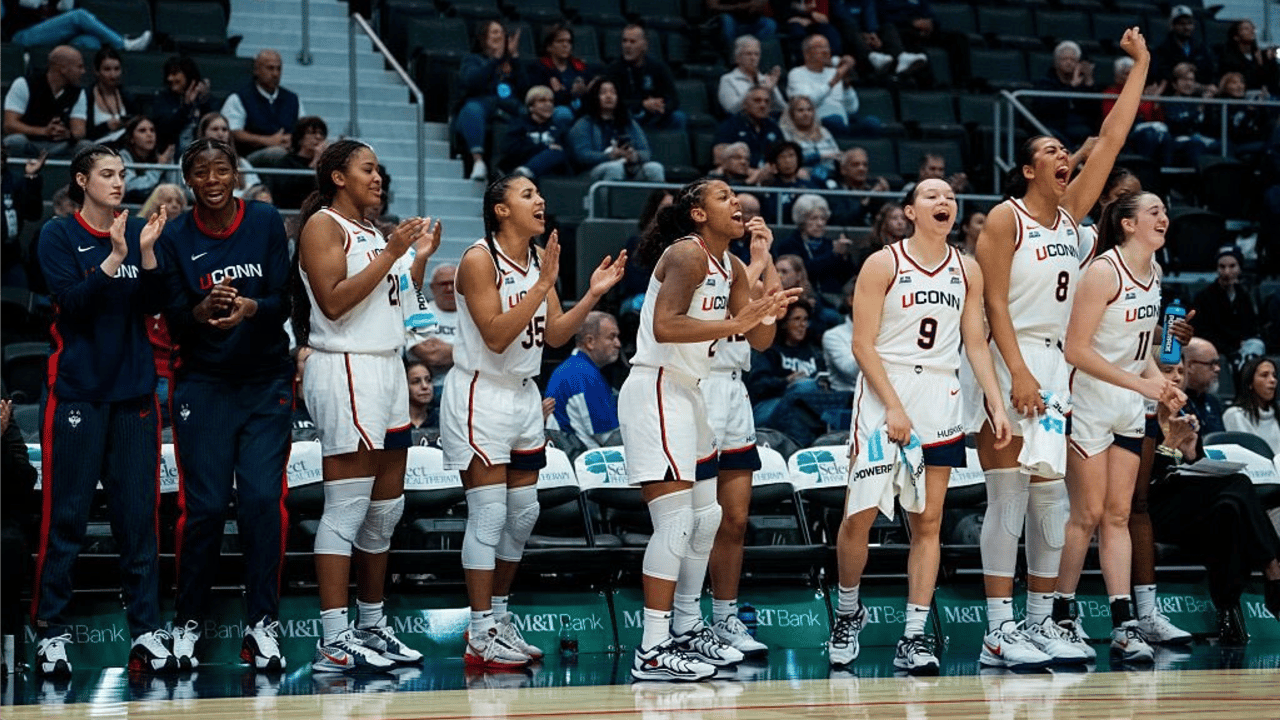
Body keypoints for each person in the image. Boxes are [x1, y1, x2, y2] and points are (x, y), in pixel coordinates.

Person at [972, 27, 1150, 670]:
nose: (1063, 155)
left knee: (1052, 499)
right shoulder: (1004, 217)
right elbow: (992, 305)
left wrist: (1141, 66)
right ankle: (998, 631)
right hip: (1009, 359)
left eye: (1063, 149)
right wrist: (1016, 373)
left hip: (1057, 366)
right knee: (1009, 496)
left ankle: (1042, 622)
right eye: (1049, 150)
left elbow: (1112, 139)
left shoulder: (1074, 216)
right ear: (1029, 170)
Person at [441, 175, 626, 668]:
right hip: (481, 392)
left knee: (521, 516)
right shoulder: (480, 259)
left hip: (523, 395)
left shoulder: (536, 260)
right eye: (527, 195)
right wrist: (543, 282)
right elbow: (498, 336)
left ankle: (499, 619)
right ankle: (478, 633)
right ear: (501, 210)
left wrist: (589, 296)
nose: (540, 200)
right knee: (488, 516)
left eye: (539, 194)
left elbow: (557, 336)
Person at [830, 178, 1012, 674]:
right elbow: (862, 344)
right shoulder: (883, 263)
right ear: (909, 211)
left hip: (941, 394)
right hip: (884, 390)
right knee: (860, 516)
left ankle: (913, 635)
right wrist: (891, 406)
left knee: (927, 521)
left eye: (951, 197)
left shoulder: (967, 269)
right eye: (932, 196)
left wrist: (995, 402)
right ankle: (847, 612)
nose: (945, 202)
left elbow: (976, 344)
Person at [619, 178, 796, 681]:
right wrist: (736, 322)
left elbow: (758, 338)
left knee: (708, 517)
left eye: (736, 196)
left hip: (689, 391)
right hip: (657, 385)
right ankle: (652, 647)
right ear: (697, 213)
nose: (736, 202)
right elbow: (665, 326)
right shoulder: (686, 255)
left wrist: (767, 300)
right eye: (723, 197)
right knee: (675, 523)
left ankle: (689, 626)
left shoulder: (733, 264)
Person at [147, 137, 292, 670]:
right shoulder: (176, 237)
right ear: (188, 179)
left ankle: (263, 625)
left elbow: (284, 302)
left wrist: (251, 306)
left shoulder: (265, 222)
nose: (212, 180)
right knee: (204, 509)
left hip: (263, 381)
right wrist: (202, 308)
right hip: (203, 384)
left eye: (221, 169)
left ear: (235, 173)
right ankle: (186, 622)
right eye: (201, 172)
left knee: (260, 503)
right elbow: (172, 316)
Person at [294, 139, 435, 672]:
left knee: (384, 512)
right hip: (347, 366)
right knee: (348, 508)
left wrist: (414, 262)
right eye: (367, 168)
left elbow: (401, 304)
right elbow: (333, 300)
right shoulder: (323, 226)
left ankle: (372, 626)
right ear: (337, 177)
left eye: (379, 168)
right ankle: (334, 638)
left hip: (387, 366)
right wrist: (396, 252)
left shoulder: (376, 233)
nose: (379, 177)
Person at [33, 144, 174, 676]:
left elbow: (157, 304)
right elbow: (72, 305)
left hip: (135, 393)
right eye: (108, 174)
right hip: (78, 392)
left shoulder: (137, 231)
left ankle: (145, 631)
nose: (119, 182)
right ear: (81, 181)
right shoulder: (58, 235)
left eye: (122, 174)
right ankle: (51, 629)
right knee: (65, 517)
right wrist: (115, 259)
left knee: (138, 522)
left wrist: (150, 255)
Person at [1057, 191, 1184, 665]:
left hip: (1128, 403)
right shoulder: (1104, 272)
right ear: (1128, 224)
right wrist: (1140, 383)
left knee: (1117, 514)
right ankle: (1062, 614)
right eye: (1154, 212)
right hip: (1088, 401)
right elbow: (1076, 350)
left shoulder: (1155, 273)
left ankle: (1122, 621)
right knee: (1085, 515)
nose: (1164, 218)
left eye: (1165, 212)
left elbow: (1140, 349)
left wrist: (1160, 383)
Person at [1147, 358, 1280, 643]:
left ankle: (1228, 611)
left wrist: (1193, 452)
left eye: (1181, 371)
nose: (1176, 377)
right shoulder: (1140, 415)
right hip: (1150, 513)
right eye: (1168, 371)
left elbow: (1194, 474)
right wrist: (1170, 448)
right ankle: (1273, 567)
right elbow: (1142, 487)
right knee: (1238, 486)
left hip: (1189, 510)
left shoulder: (1183, 411)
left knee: (1228, 510)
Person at [702, 212, 780, 658]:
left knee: (734, 520)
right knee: (697, 520)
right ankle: (684, 620)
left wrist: (765, 261)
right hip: (696, 386)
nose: (737, 212)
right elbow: (731, 303)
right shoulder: (694, 261)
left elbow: (764, 339)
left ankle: (725, 617)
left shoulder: (741, 265)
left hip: (733, 390)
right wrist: (755, 263)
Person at [456, 21, 530, 182]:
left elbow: (525, 90)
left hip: (509, 106)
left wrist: (515, 57)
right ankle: (478, 162)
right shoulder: (473, 59)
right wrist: (495, 60)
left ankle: (514, 168)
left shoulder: (511, 63)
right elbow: (472, 83)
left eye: (502, 33)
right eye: (495, 32)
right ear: (484, 38)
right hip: (482, 103)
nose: (500, 36)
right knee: (471, 110)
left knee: (529, 114)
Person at [747, 300, 826, 445]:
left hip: (809, 407)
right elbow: (757, 385)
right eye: (797, 319)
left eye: (805, 320)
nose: (802, 325)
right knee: (804, 386)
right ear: (784, 323)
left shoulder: (814, 352)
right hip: (769, 406)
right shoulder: (768, 350)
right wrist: (787, 381)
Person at [544, 310, 621, 448]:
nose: (618, 344)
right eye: (611, 337)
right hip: (580, 461)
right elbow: (609, 439)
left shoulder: (576, 369)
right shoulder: (583, 375)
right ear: (590, 342)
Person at [567, 77, 665, 182]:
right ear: (595, 97)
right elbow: (582, 155)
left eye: (613, 93)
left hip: (629, 167)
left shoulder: (628, 122)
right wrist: (610, 156)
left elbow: (646, 152)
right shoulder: (584, 123)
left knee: (655, 168)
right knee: (615, 168)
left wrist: (634, 156)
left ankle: (660, 198)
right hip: (593, 171)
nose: (609, 96)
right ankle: (610, 199)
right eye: (603, 93)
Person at [3, 45, 92, 158]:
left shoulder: (78, 92)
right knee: (14, 141)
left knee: (86, 146)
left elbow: (79, 131)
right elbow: (9, 125)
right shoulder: (24, 84)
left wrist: (66, 133)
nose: (83, 71)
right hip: (30, 143)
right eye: (79, 67)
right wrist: (44, 131)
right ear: (63, 69)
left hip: (61, 146)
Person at [0, 394, 36, 670]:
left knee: (9, 545)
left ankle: (13, 657)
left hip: (4, 521)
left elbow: (24, 480)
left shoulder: (5, 425)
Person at [221, 49, 307, 164]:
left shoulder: (293, 99)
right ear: (256, 70)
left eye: (279, 69)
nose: (275, 74)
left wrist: (292, 139)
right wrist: (268, 141)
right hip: (251, 157)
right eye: (270, 68)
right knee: (277, 152)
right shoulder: (239, 98)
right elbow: (233, 131)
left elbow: (304, 128)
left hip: (289, 151)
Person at [786, 35, 879, 138]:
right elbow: (807, 103)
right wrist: (833, 82)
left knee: (872, 123)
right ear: (806, 54)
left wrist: (846, 86)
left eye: (827, 47)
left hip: (843, 123)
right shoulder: (796, 74)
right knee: (835, 121)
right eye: (819, 47)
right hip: (818, 126)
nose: (825, 51)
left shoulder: (834, 72)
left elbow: (852, 109)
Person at [607, 23, 686, 131]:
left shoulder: (658, 67)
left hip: (655, 115)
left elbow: (673, 99)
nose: (627, 46)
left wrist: (662, 108)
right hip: (630, 115)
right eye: (624, 41)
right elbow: (614, 102)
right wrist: (642, 104)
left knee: (678, 117)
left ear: (644, 45)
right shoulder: (614, 69)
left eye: (632, 41)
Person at [1190, 246, 1261, 363]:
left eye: (1232, 266)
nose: (1227, 272)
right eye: (1222, 267)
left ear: (1240, 269)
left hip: (1241, 347)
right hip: (1216, 347)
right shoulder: (1204, 297)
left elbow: (1251, 327)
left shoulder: (1243, 295)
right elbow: (1202, 331)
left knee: (1257, 345)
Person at [776, 192, 853, 297]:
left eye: (823, 219)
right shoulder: (789, 245)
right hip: (803, 297)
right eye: (814, 218)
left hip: (833, 298)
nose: (820, 223)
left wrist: (844, 256)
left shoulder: (830, 244)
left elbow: (845, 277)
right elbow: (803, 270)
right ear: (802, 221)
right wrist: (833, 254)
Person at [4, 1, 149, 52]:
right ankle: (123, 44)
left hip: (55, 36)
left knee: (91, 43)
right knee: (79, 16)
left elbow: (66, 10)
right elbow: (29, 4)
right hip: (22, 35)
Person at [1034, 41, 1098, 147]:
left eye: (1073, 60)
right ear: (1055, 62)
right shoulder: (1045, 83)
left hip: (1082, 128)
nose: (1069, 62)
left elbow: (1094, 112)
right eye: (1064, 59)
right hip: (1054, 127)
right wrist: (1071, 87)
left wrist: (1089, 82)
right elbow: (1046, 108)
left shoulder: (1083, 84)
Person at [499, 86, 570, 179]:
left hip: (550, 176)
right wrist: (544, 148)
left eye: (551, 101)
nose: (548, 104)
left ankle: (525, 171)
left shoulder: (558, 128)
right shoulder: (519, 126)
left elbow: (566, 154)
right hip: (517, 167)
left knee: (557, 152)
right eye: (542, 100)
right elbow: (510, 150)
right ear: (531, 107)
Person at [258, 114, 326, 209]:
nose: (318, 137)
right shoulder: (287, 162)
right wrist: (314, 163)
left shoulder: (326, 163)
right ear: (300, 139)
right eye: (311, 133)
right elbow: (290, 192)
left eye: (321, 133)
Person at [0, 146, 45, 287]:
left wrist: (31, 178)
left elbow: (33, 214)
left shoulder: (14, 180)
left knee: (18, 300)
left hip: (9, 256)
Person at [409, 264, 458, 391]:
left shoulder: (474, 316)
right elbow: (432, 356)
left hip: (464, 387)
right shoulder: (419, 314)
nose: (449, 288)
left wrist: (447, 350)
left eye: (454, 283)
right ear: (432, 287)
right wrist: (465, 350)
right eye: (443, 284)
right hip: (430, 388)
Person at [531, 24, 593, 126]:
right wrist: (571, 94)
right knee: (563, 113)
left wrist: (583, 92)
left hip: (580, 110)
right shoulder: (540, 68)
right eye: (560, 41)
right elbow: (541, 98)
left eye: (568, 41)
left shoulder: (580, 67)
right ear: (549, 47)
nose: (565, 45)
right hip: (553, 113)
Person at [150, 56, 212, 154]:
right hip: (171, 156)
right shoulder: (162, 98)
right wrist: (186, 107)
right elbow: (165, 130)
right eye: (168, 74)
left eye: (174, 74)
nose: (170, 78)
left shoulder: (203, 99)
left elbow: (212, 126)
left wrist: (204, 101)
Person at [713, 86, 784, 169]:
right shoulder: (730, 125)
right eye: (757, 100)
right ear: (745, 104)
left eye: (767, 101)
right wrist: (749, 172)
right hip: (741, 176)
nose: (763, 105)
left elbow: (784, 154)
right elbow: (719, 158)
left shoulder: (774, 127)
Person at [198, 111, 263, 197]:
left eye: (224, 130)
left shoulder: (241, 162)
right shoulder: (190, 161)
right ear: (203, 134)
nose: (220, 134)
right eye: (215, 129)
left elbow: (254, 188)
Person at [718, 35, 786, 116]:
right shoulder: (728, 79)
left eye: (756, 54)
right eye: (748, 54)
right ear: (737, 58)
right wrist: (759, 90)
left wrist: (771, 90)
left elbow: (783, 108)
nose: (753, 58)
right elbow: (731, 109)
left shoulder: (766, 79)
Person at [1224, 356, 1280, 453]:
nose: (1273, 380)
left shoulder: (1276, 413)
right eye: (1264, 375)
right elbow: (1247, 454)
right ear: (1250, 383)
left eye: (1274, 375)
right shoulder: (1235, 415)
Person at [780, 95, 840, 183]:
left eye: (809, 110)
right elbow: (789, 160)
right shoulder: (786, 134)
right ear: (792, 114)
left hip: (830, 175)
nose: (806, 113)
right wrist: (820, 156)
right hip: (802, 176)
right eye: (800, 110)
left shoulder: (823, 131)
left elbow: (837, 154)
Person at [115, 115, 175, 203]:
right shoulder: (123, 157)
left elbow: (173, 188)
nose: (149, 134)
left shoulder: (162, 156)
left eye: (152, 130)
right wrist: (159, 168)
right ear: (131, 138)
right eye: (142, 131)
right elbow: (131, 187)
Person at [1154, 5, 1216, 86]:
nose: (1186, 27)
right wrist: (1176, 71)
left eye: (1189, 23)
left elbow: (1209, 71)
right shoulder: (1162, 49)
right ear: (1172, 26)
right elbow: (1161, 73)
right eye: (1182, 24)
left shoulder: (1201, 47)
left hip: (1198, 91)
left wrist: (1193, 68)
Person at [827, 146, 888, 227]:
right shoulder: (835, 193)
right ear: (843, 169)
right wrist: (869, 197)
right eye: (855, 165)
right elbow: (844, 220)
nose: (861, 168)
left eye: (865, 165)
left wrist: (885, 195)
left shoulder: (875, 191)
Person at [760, 140, 817, 225]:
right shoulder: (769, 188)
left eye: (791, 155)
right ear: (774, 163)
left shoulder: (809, 185)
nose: (787, 161)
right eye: (782, 157)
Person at [1218, 20, 1278, 94]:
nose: (1252, 31)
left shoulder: (1261, 55)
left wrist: (1269, 61)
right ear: (1236, 37)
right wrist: (1259, 65)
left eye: (1252, 28)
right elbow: (1244, 79)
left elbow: (1273, 81)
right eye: (1246, 29)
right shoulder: (1229, 57)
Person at [85, 47, 130, 143]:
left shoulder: (127, 96)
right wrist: (105, 127)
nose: (113, 74)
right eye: (107, 69)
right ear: (97, 71)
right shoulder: (87, 96)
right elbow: (81, 134)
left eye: (117, 69)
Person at [1182, 337, 1226, 434]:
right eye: (1211, 364)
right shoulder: (1175, 403)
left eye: (1217, 363)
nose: (1217, 369)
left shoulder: (1214, 402)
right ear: (1189, 366)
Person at [821, 278, 858, 391]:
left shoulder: (887, 332)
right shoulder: (833, 336)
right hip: (848, 402)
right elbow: (850, 372)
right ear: (851, 300)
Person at [707, 0, 777, 54]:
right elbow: (712, 6)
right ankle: (734, 56)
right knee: (727, 20)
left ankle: (756, 53)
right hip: (729, 17)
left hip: (751, 18)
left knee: (770, 24)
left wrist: (752, 6)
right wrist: (738, 7)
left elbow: (759, 3)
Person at [406, 359, 438, 444]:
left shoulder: (441, 420)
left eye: (428, 380)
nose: (425, 386)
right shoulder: (396, 423)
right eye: (416, 382)